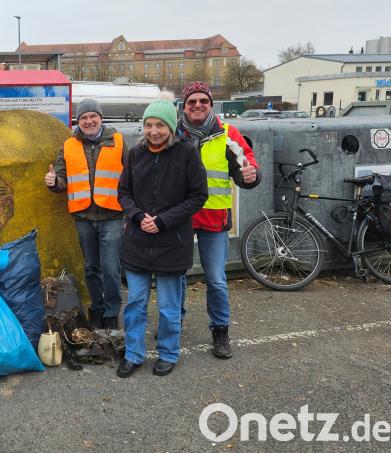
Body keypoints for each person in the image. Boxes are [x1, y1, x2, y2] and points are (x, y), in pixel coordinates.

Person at [116, 99, 208, 378]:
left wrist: (164, 221)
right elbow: (124, 192)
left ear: (170, 127)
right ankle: (133, 353)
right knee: (135, 303)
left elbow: (198, 196)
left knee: (169, 308)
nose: (153, 131)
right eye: (148, 125)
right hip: (137, 241)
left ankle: (168, 353)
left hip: (172, 241)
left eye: (159, 125)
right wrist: (137, 216)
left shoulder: (187, 154)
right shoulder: (135, 155)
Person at [176, 81, 261, 359]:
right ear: (184, 106)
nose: (197, 105)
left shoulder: (228, 133)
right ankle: (174, 323)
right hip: (180, 218)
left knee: (216, 279)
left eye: (203, 101)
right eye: (192, 102)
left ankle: (220, 332)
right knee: (175, 275)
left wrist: (251, 176)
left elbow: (246, 167)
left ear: (211, 104)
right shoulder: (173, 134)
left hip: (214, 218)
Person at [44, 99, 124, 329]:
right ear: (78, 121)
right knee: (91, 268)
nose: (88, 121)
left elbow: (131, 175)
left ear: (100, 117)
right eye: (83, 118)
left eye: (93, 116)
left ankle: (111, 313)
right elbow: (61, 179)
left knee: (110, 269)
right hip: (84, 216)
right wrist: (54, 181)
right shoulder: (69, 145)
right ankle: (96, 309)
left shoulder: (117, 141)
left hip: (112, 215)